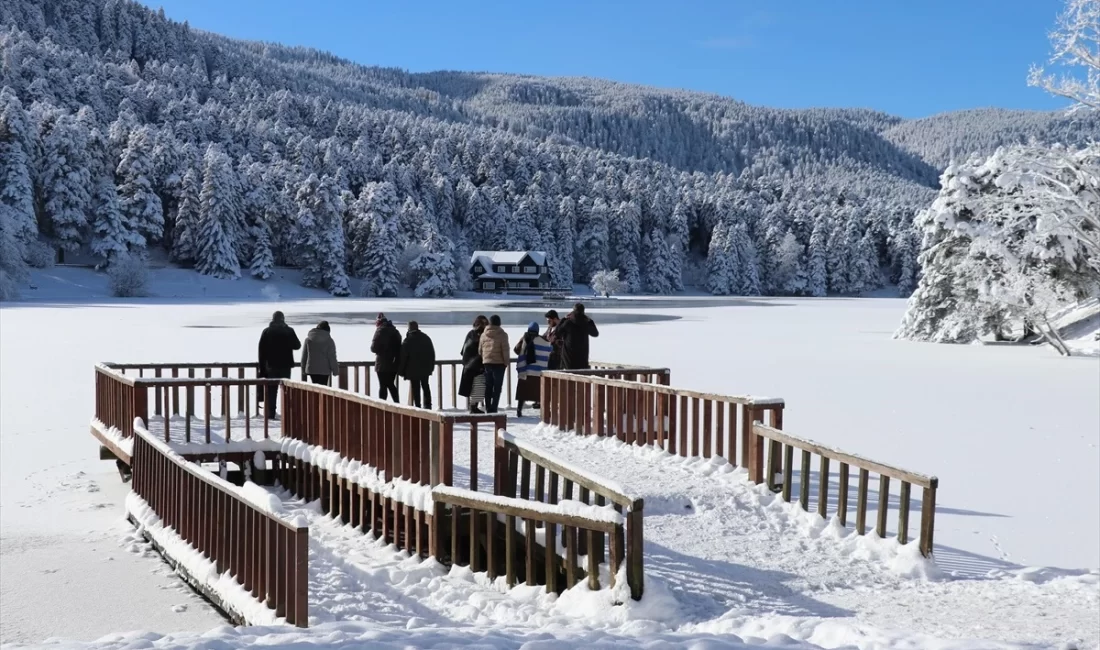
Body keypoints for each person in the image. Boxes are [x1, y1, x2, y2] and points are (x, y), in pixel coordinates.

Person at [257, 310, 300, 418]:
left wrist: (262, 368)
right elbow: (297, 345)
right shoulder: (289, 331)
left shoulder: (267, 331)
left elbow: (261, 351)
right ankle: (286, 413)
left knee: (272, 390)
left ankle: (271, 413)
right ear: (283, 319)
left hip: (271, 365)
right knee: (286, 389)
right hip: (286, 365)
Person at [514, 322, 551, 417]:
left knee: (522, 393)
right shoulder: (542, 340)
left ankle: (519, 410)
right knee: (539, 392)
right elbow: (549, 349)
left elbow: (516, 350)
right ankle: (543, 412)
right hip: (539, 372)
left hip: (526, 370)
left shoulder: (525, 339)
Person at [399, 321, 436, 410]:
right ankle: (428, 405)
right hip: (425, 368)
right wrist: (431, 367)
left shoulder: (408, 341)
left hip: (413, 370)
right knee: (425, 386)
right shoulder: (426, 338)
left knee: (415, 388)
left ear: (409, 328)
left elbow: (403, 357)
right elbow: (432, 354)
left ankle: (418, 407)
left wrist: (401, 371)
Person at [479, 314, 510, 414]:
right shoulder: (502, 334)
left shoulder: (484, 335)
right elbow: (505, 350)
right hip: (499, 364)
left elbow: (480, 350)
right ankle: (494, 407)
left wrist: (485, 358)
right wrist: (506, 362)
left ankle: (488, 407)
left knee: (488, 386)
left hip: (487, 363)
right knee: (497, 387)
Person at [554, 302, 600, 370]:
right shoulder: (586, 323)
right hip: (582, 359)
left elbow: (557, 332)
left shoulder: (568, 323)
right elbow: (595, 334)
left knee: (568, 378)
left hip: (568, 359)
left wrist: (564, 318)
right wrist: (590, 321)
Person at [458, 315, 488, 413]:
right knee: (479, 385)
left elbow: (464, 350)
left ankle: (473, 406)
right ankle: (473, 407)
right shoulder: (484, 335)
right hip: (479, 364)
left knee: (472, 386)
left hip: (468, 364)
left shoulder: (470, 334)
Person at [371, 316, 402, 403]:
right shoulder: (395, 331)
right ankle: (397, 403)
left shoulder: (380, 331)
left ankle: (382, 405)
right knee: (390, 384)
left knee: (383, 385)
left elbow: (373, 348)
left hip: (382, 362)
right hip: (394, 362)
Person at [301, 320, 338, 386]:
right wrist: (335, 370)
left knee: (315, 388)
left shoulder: (308, 339)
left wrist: (303, 369)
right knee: (323, 389)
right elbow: (332, 356)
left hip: (311, 369)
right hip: (324, 370)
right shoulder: (329, 340)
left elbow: (304, 356)